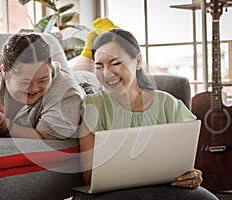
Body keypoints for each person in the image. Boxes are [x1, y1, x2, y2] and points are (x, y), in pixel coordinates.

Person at [74, 28, 218, 199]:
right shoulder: (93, 106)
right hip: (112, 193)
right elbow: (89, 176)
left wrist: (193, 176)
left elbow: (188, 165)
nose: (106, 73)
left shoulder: (168, 104)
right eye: (99, 66)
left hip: (166, 187)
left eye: (115, 63)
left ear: (138, 61)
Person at [0, 33, 85, 139]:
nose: (34, 88)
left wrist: (5, 126)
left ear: (50, 68)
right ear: (4, 72)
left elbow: (45, 136)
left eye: (42, 80)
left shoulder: (66, 92)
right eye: (25, 82)